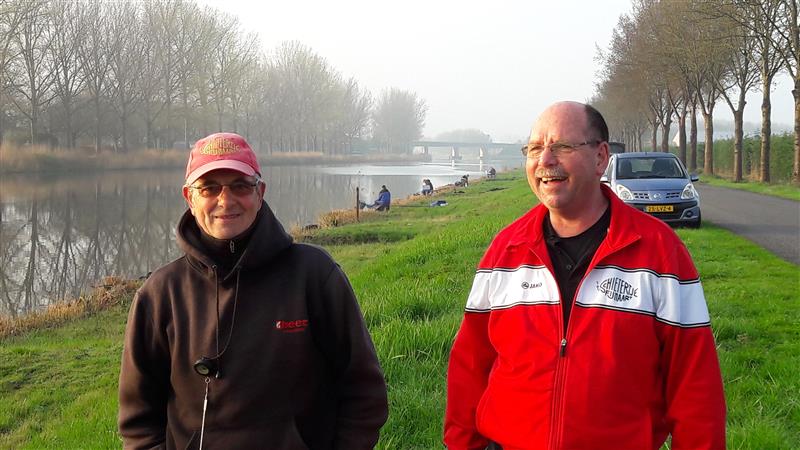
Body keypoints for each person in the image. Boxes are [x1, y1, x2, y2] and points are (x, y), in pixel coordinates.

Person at [444, 102, 725, 449]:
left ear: (600, 157)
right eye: (535, 148)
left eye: (562, 146)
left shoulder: (660, 252)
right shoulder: (506, 250)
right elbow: (470, 366)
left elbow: (695, 384)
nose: (545, 160)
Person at [119, 132, 388, 449]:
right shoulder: (160, 294)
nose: (225, 200)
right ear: (189, 198)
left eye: (240, 186)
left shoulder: (314, 275)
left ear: (260, 193)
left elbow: (363, 392)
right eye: (209, 188)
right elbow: (139, 424)